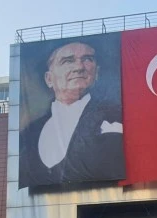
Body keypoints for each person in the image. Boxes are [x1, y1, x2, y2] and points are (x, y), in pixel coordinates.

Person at [19, 40, 125, 188]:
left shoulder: (117, 116)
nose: (79, 67)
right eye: (68, 61)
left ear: (97, 73)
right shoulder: (29, 133)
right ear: (49, 79)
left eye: (87, 59)